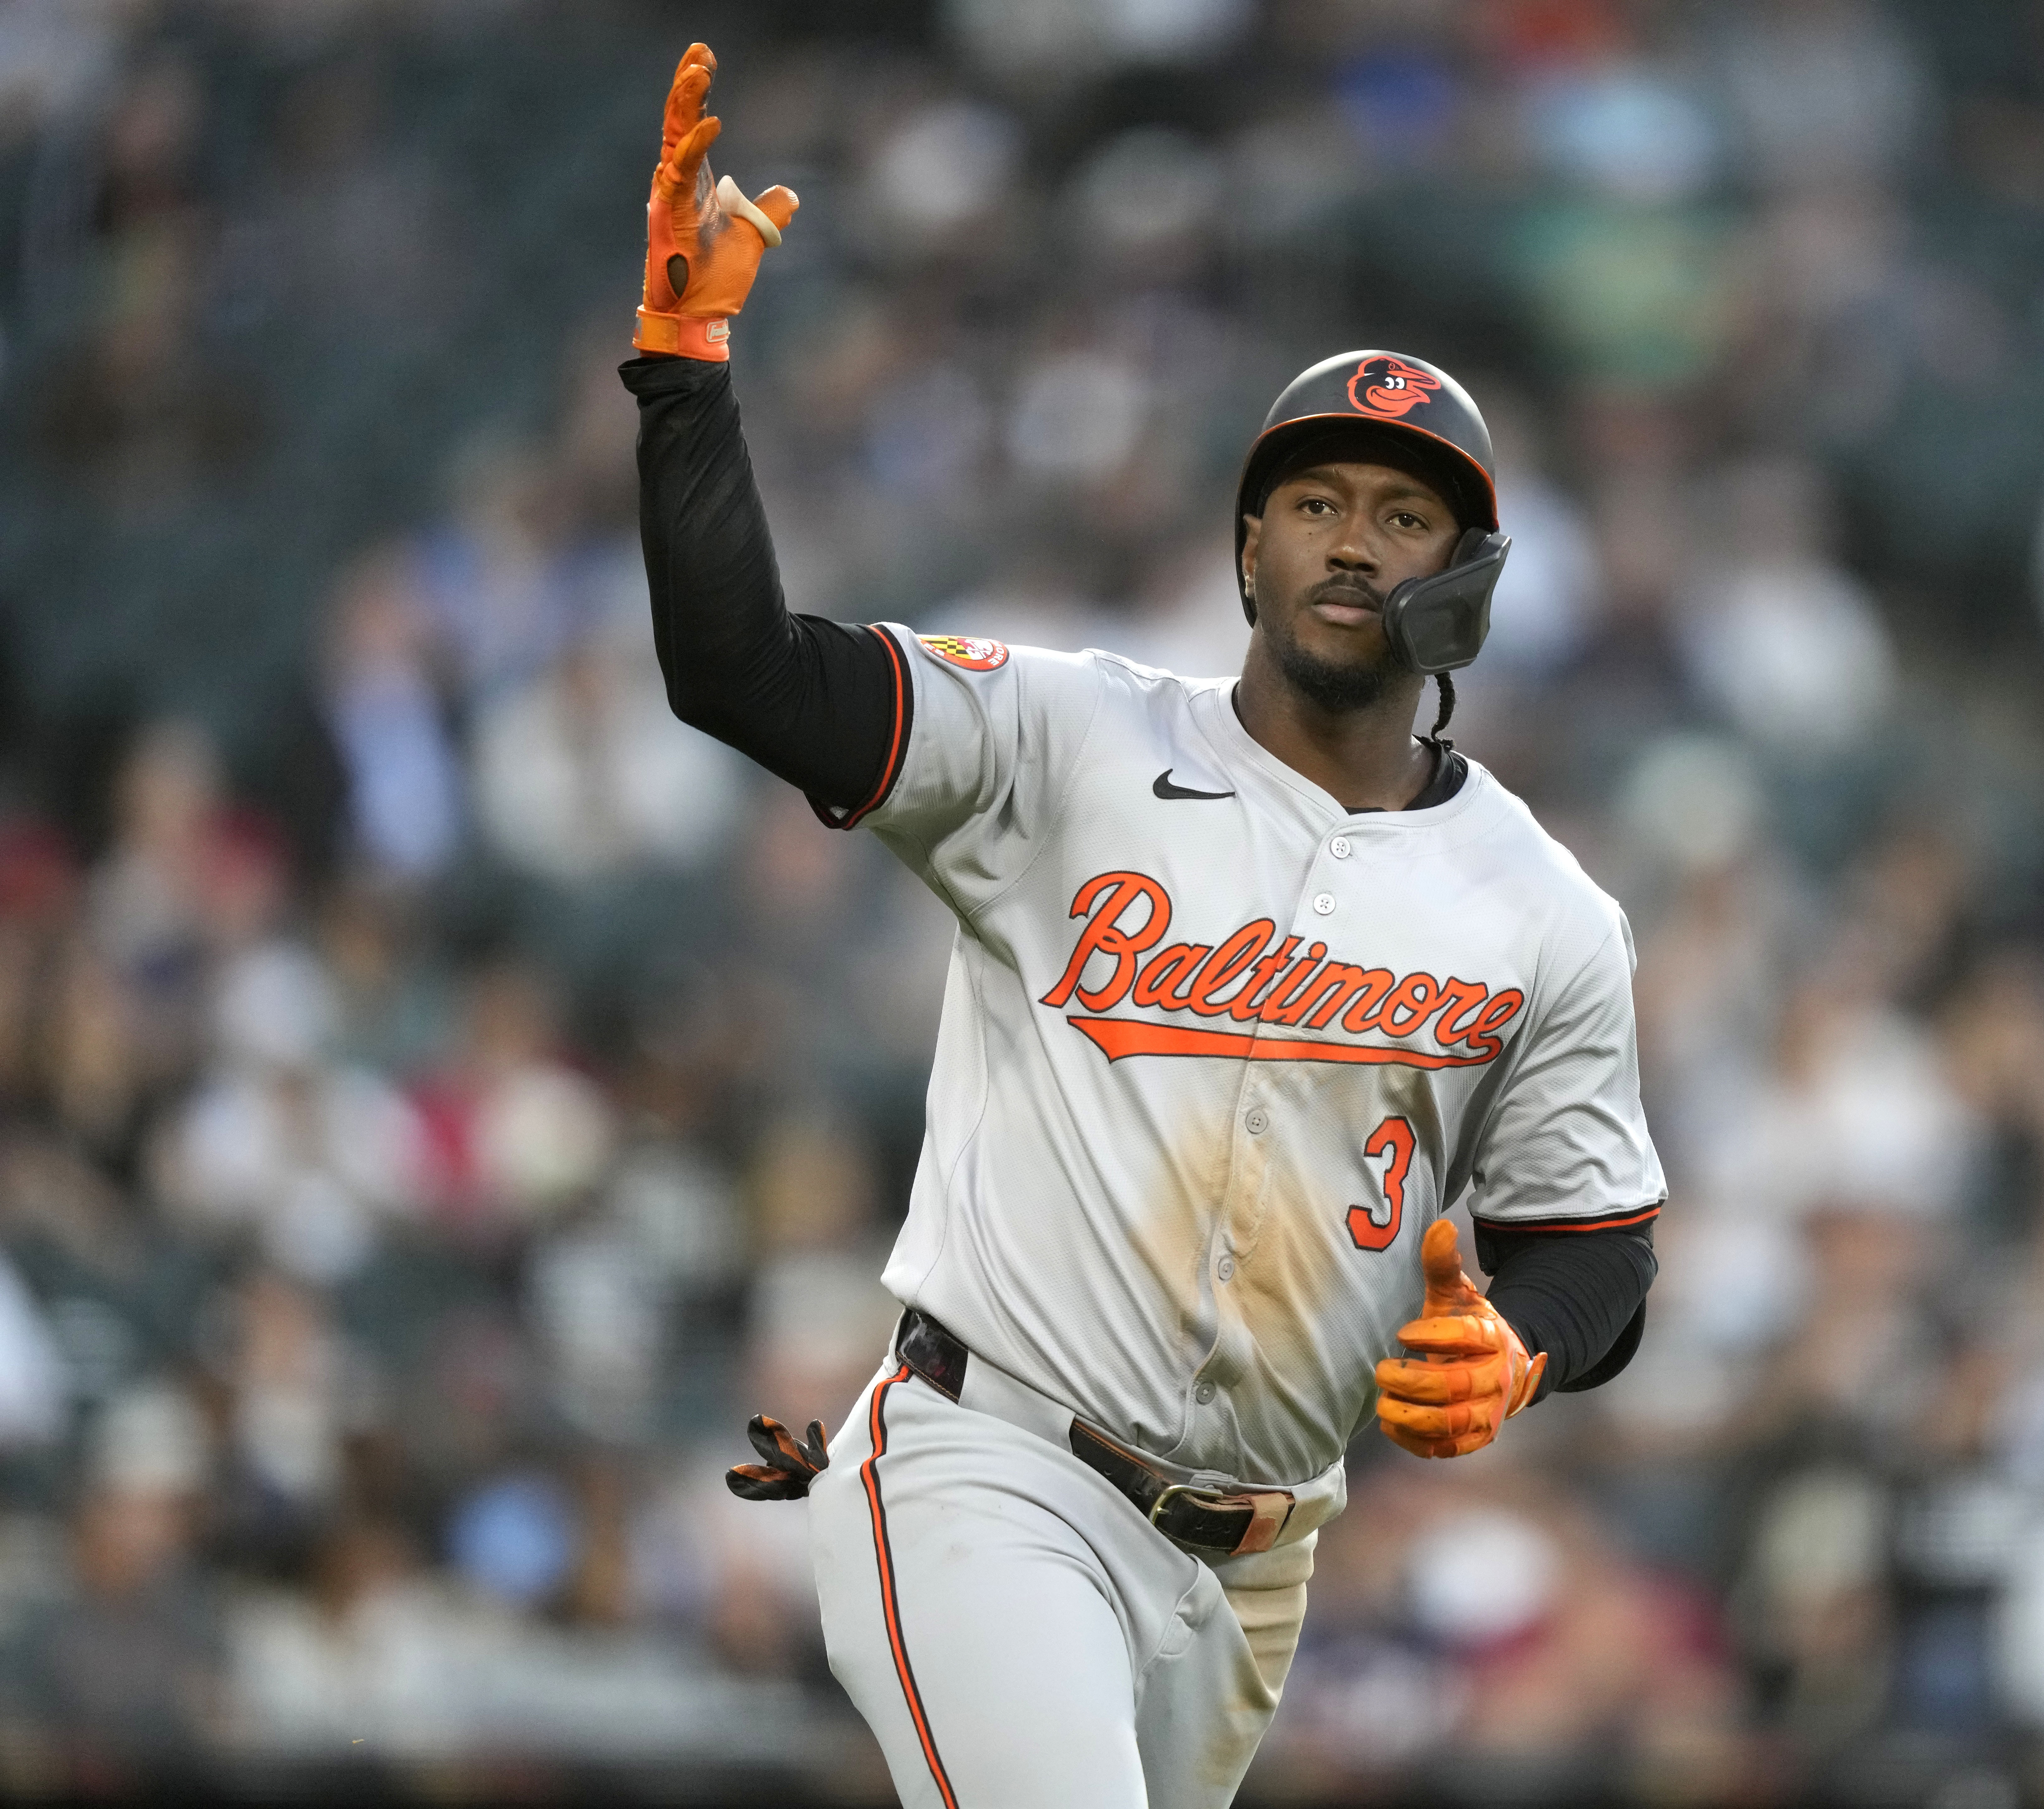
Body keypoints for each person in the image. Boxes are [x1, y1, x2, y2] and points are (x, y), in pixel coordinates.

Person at [621, 46, 1663, 1807]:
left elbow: (1600, 1249)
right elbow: (742, 672)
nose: (1353, 543)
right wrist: (685, 377)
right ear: (1247, 551)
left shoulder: (1541, 910)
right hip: (990, 1467)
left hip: (1253, 1574)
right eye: (1315, 504)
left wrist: (1525, 1347)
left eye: (1405, 517)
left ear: (1467, 587)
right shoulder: (1061, 736)